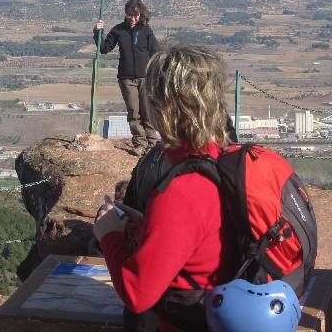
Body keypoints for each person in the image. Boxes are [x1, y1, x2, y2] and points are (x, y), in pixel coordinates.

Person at [93, 45, 237, 332]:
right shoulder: (227, 160)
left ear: (162, 109)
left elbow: (137, 294)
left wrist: (109, 234)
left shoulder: (180, 192)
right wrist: (151, 226)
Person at [95, 0, 160, 150]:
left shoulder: (146, 31)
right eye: (130, 15)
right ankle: (140, 144)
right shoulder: (119, 30)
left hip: (145, 78)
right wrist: (98, 32)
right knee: (134, 113)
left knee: (148, 112)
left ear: (140, 15)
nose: (133, 18)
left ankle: (153, 144)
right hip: (126, 78)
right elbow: (104, 48)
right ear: (126, 14)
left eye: (136, 15)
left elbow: (156, 52)